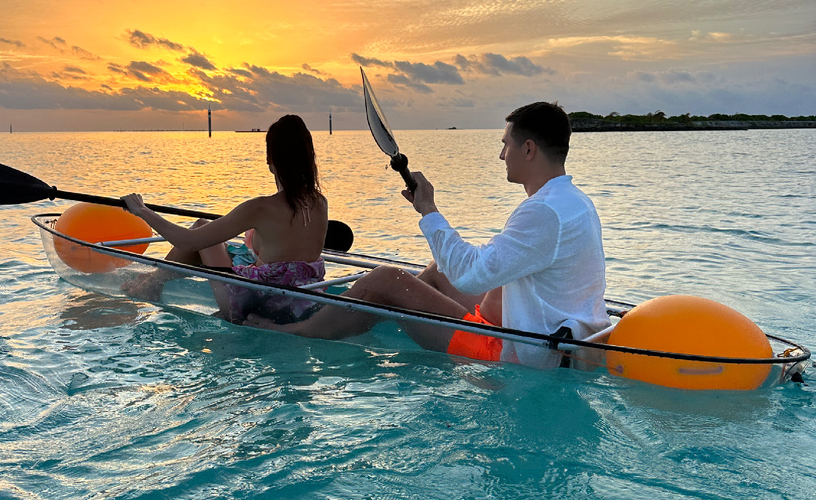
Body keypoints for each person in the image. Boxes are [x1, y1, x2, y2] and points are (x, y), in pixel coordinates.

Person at [249, 102, 608, 364]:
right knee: (437, 271)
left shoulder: (543, 212)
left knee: (387, 279)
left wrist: (428, 210)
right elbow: (486, 268)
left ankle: (298, 332)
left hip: (512, 352)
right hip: (539, 329)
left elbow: (470, 275)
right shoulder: (573, 200)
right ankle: (384, 313)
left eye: (506, 144)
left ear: (528, 149)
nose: (501, 155)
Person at [121, 114, 329, 320]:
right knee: (207, 231)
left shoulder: (261, 208)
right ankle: (151, 282)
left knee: (200, 229)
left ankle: (150, 286)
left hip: (255, 304)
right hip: (304, 302)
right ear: (309, 157)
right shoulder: (320, 203)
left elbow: (187, 241)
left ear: (270, 160)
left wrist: (142, 210)